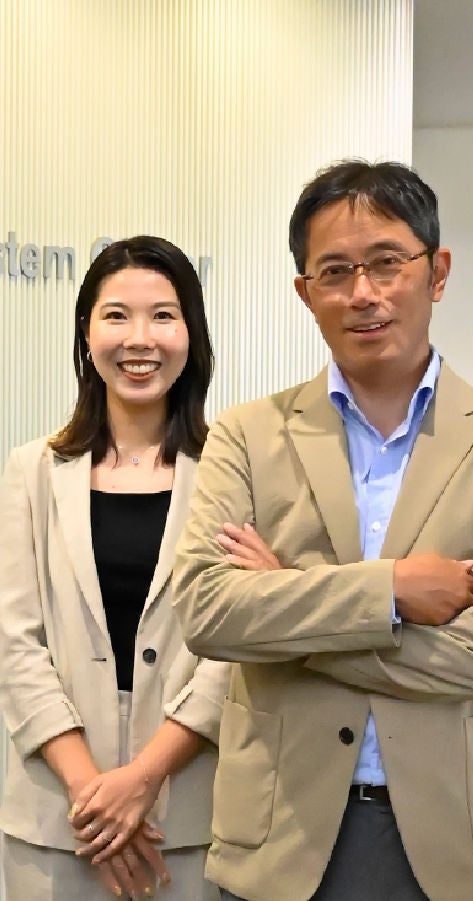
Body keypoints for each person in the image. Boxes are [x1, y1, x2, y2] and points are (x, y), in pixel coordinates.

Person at [171, 159, 473, 901]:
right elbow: (207, 610)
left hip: (456, 842)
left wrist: (287, 607)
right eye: (335, 271)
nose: (363, 293)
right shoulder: (245, 435)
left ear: (436, 271)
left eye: (387, 263)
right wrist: (391, 590)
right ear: (304, 292)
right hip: (280, 837)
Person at [0, 236, 229, 900]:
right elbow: (16, 644)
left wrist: (143, 777)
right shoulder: (32, 470)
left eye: (163, 314)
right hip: (58, 820)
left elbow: (236, 650)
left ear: (191, 332)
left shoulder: (233, 471)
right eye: (116, 315)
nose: (140, 338)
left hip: (188, 819)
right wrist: (93, 795)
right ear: (86, 330)